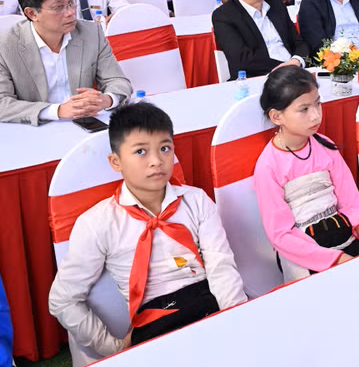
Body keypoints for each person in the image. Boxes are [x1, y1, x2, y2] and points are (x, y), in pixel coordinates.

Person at [49, 102, 246, 355]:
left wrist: (237, 320)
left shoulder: (196, 200)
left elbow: (222, 267)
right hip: (157, 321)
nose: (157, 161)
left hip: (212, 302)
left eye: (165, 149)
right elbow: (63, 299)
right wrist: (114, 349)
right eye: (141, 151)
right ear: (116, 161)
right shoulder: (98, 223)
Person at [254, 66, 359, 278]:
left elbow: (350, 200)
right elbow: (281, 234)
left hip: (344, 235)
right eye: (304, 109)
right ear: (276, 116)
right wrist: (335, 259)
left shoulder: (325, 146)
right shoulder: (268, 166)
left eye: (318, 104)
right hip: (304, 253)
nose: (316, 115)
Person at [0, 0, 132, 124]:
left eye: (71, 2)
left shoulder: (91, 33)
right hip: (33, 131)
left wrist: (107, 99)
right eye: (59, 7)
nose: (70, 12)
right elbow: (2, 104)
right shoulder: (6, 45)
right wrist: (58, 111)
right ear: (32, 14)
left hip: (85, 125)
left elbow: (118, 81)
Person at [213, 0, 308, 78]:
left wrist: (297, 61)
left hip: (296, 72)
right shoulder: (224, 15)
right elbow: (243, 60)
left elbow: (298, 42)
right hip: (258, 79)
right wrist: (287, 68)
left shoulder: (276, 5)